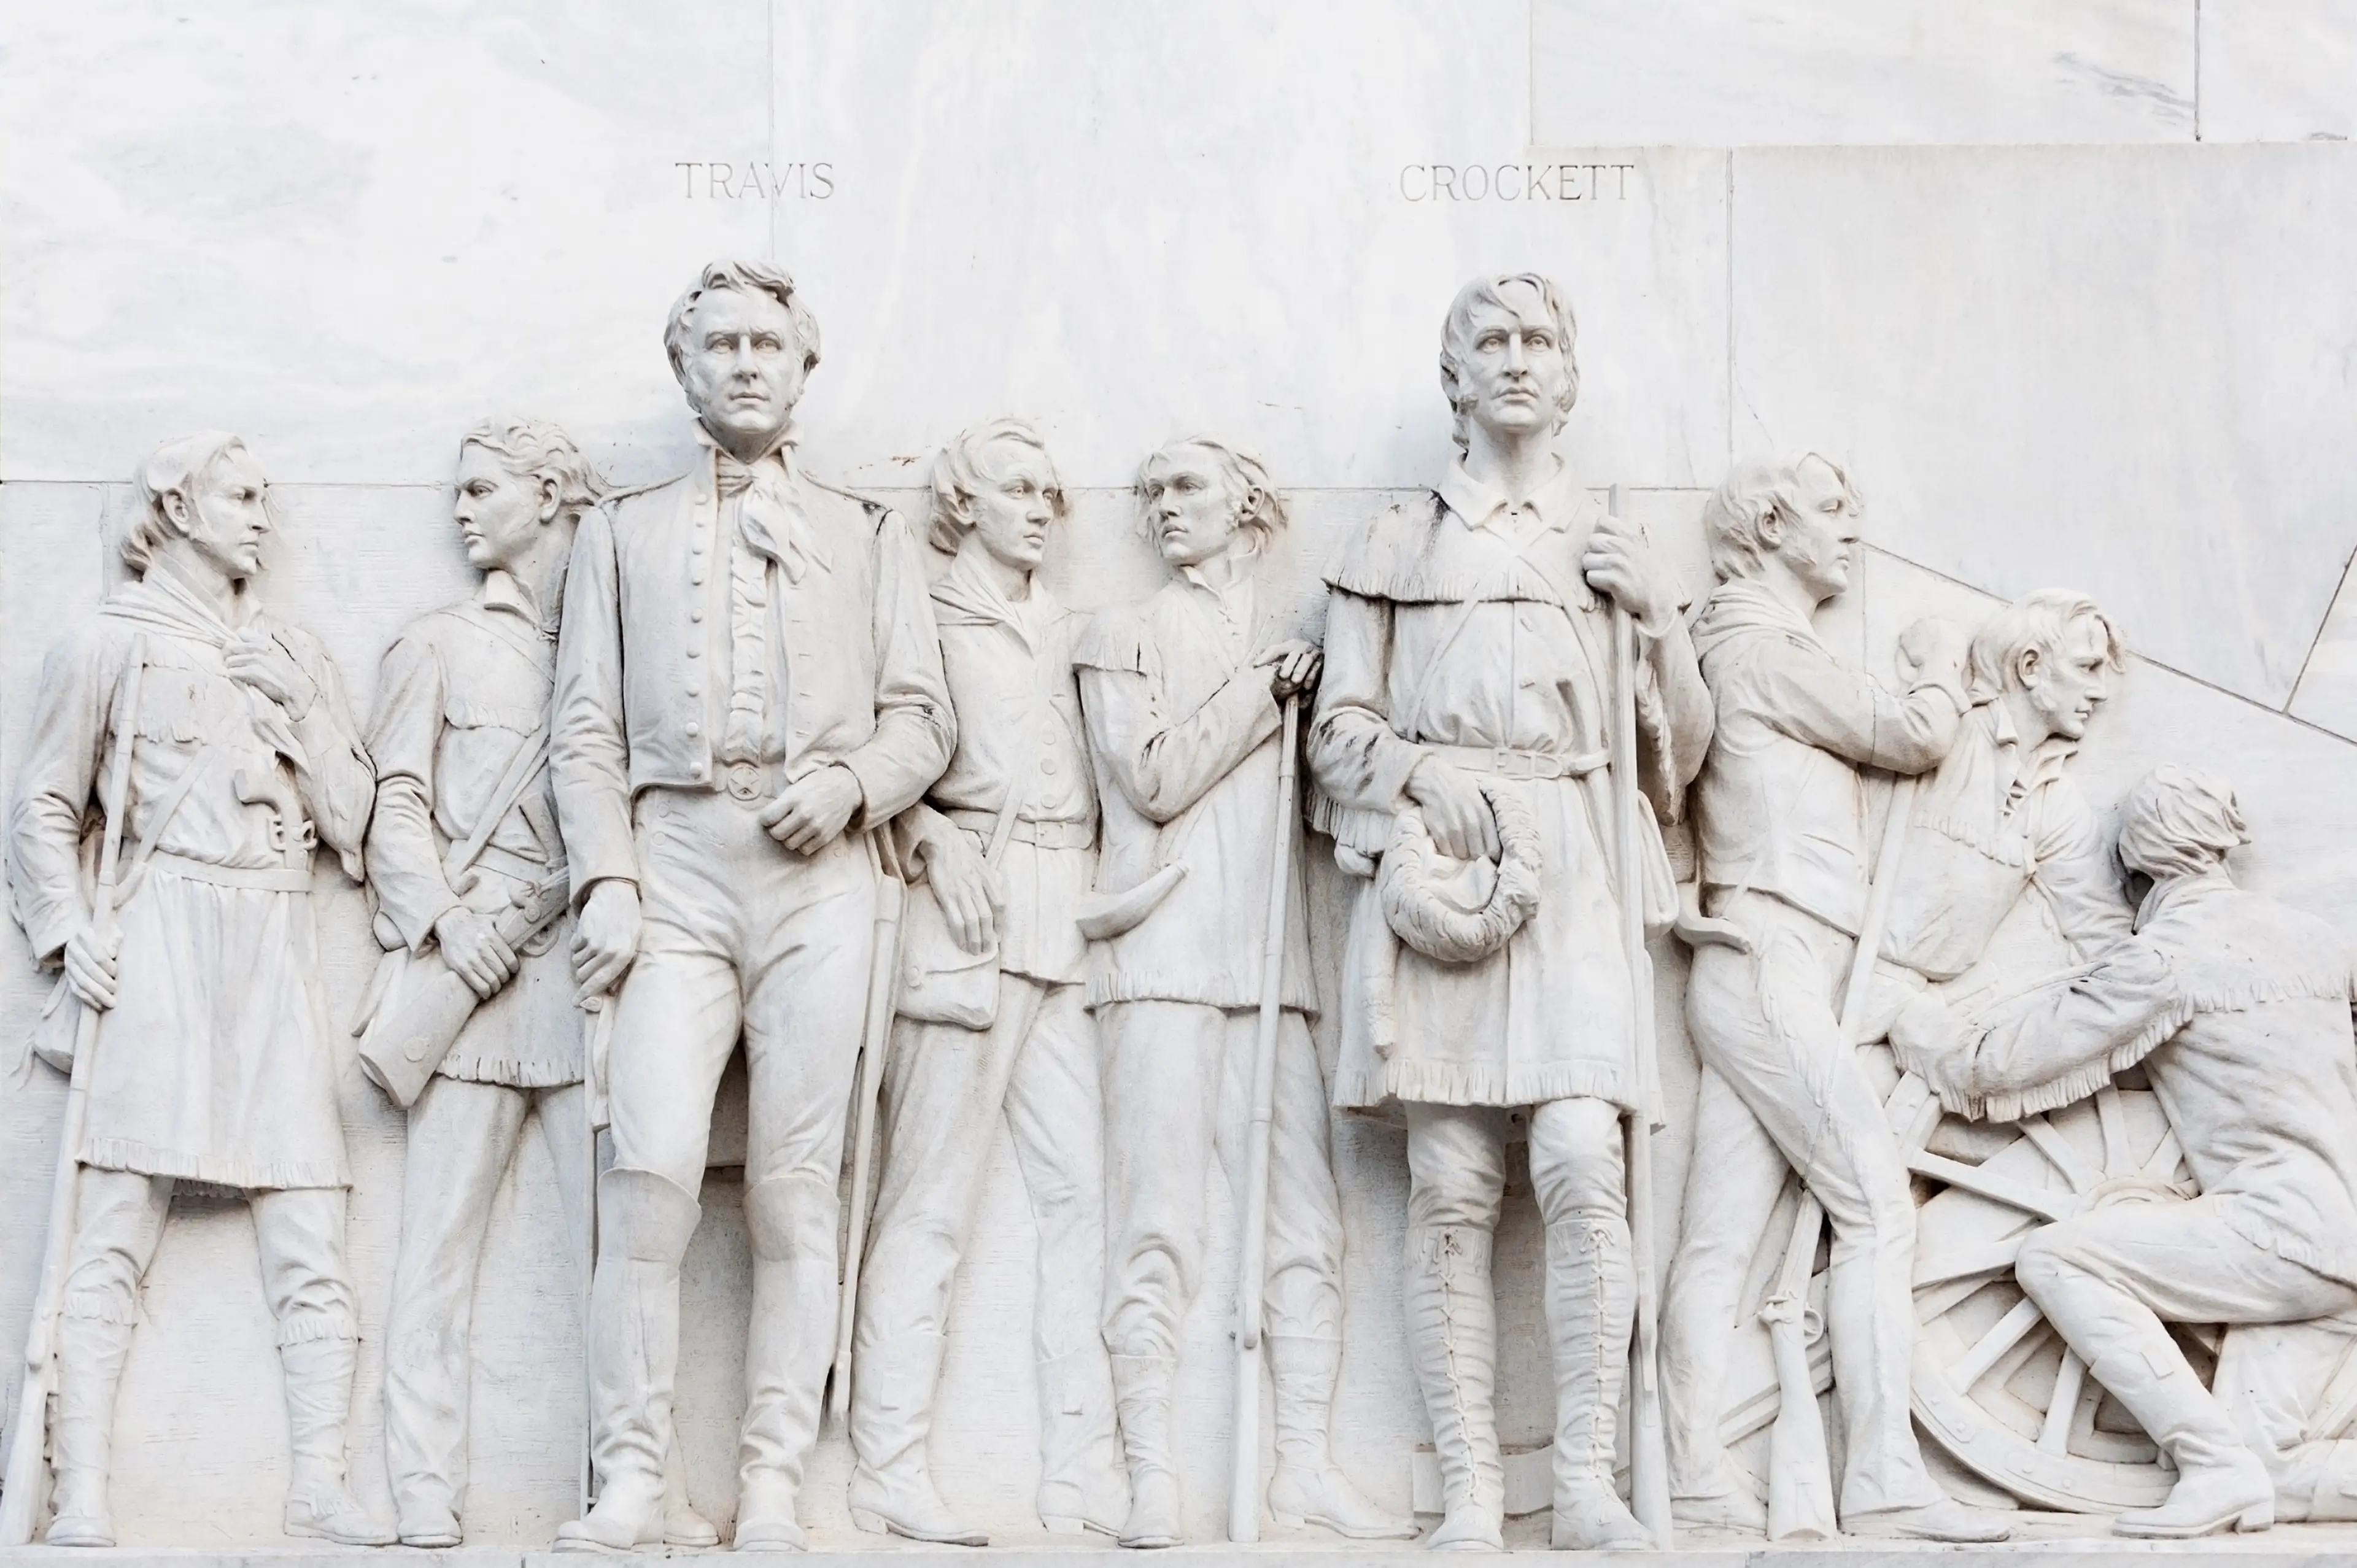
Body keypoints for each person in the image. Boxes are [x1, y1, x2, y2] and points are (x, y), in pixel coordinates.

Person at [549, 260, 954, 1553]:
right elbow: (583, 731)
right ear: (684, 367)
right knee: (649, 1178)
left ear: (802, 364)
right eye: (718, 342)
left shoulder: (868, 531)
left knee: (797, 1186)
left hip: (818, 876)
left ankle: (776, 1470)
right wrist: (607, 872)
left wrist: (848, 784)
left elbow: (923, 718)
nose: (742, 361)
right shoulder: (621, 531)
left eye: (765, 342)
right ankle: (629, 1472)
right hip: (676, 856)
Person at [1308, 272, 1713, 1551]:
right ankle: (1474, 1485)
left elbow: (1682, 759)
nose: (1520, 359)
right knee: (1452, 1174)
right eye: (1493, 340)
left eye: (1541, 339)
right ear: (1456, 376)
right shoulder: (1393, 541)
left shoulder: (1609, 537)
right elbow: (1341, 735)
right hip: (1444, 860)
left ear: (1570, 370)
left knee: (1587, 1153)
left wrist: (1659, 625)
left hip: (1578, 860)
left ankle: (1586, 1474)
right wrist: (1432, 773)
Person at [1664, 490, 2129, 1538]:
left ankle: (1692, 1466)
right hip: (1778, 965)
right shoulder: (1905, 713)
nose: (2104, 690)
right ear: (2025, 667)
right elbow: (1888, 767)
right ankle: (1875, 1472)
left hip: (1828, 988)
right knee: (1872, 1206)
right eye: (2087, 665)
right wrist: (1932, 669)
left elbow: (2090, 940)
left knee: (1721, 1235)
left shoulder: (2049, 800)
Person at [7, 432, 385, 1547]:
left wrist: (305, 714)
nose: (262, 514)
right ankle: (82, 1489)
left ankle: (319, 1483)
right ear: (175, 504)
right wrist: (68, 930)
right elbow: (41, 807)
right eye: (241, 495)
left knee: (312, 1220)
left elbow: (354, 819)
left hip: (272, 936)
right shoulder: (104, 645)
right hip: (160, 931)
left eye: (266, 495)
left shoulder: (287, 648)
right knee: (111, 1224)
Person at [366, 420, 713, 1548]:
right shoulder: (439, 645)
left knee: (619, 1258)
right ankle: (421, 1487)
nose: (462, 510)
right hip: (465, 996)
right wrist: (445, 920)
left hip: (586, 987)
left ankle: (630, 1481)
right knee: (435, 1258)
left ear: (553, 495)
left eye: (484, 489)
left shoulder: (620, 655)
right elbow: (396, 808)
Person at [1076, 437, 1410, 1549]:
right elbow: (1155, 776)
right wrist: (1264, 695)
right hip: (1163, 966)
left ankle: (1303, 1467)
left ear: (1248, 504)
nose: (1164, 506)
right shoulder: (1120, 636)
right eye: (1152, 489)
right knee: (1156, 1227)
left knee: (1306, 1229)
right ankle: (1151, 1474)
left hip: (1274, 973)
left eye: (1186, 487)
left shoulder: (1299, 645)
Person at [1892, 765, 2357, 1539]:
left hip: (2278, 1239)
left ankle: (2207, 1461)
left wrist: (1914, 1023)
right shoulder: (2322, 942)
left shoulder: (2171, 956)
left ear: (2134, 861)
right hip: (2343, 1248)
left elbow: (2005, 1064)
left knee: (2057, 1258)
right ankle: (2235, 1468)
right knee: (2269, 1467)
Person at [848, 419, 1123, 1544]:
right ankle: (887, 1462)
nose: (1042, 507)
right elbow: (853, 741)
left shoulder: (1065, 625)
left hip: (1070, 907)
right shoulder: (916, 606)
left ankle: (1077, 1468)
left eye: (1053, 490)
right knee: (929, 1203)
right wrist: (922, 832)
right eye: (1018, 486)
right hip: (965, 910)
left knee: (1081, 1200)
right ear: (962, 499)